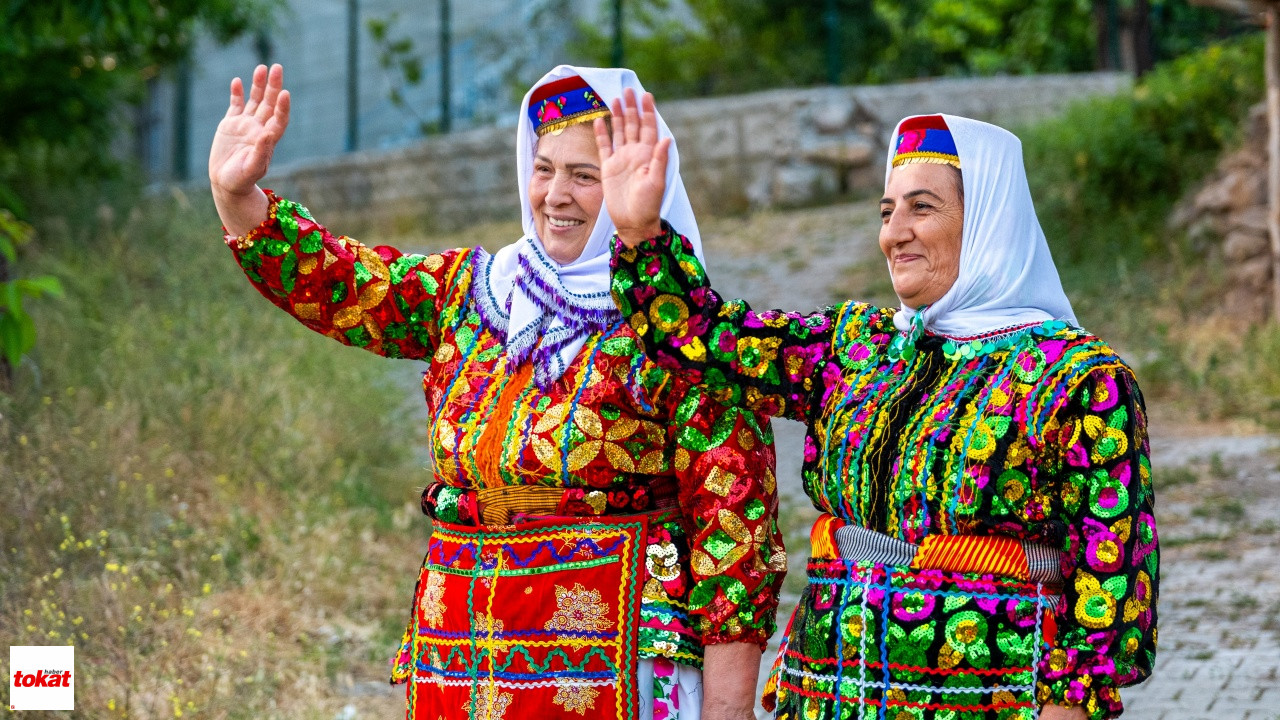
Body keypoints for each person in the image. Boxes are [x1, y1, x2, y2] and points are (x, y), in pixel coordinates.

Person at [208, 64, 786, 720]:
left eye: (585, 175)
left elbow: (735, 524)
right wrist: (239, 196)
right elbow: (347, 287)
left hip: (609, 653)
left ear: (639, 183)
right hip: (463, 644)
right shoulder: (473, 290)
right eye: (544, 169)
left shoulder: (683, 330)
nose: (556, 195)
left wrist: (729, 706)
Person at [599, 94, 1158, 720]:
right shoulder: (859, 346)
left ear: (989, 219)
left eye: (923, 208)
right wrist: (641, 234)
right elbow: (707, 342)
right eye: (888, 211)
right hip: (833, 688)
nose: (894, 233)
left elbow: (1114, 570)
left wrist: (1070, 705)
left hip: (991, 696)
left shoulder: (1080, 381)